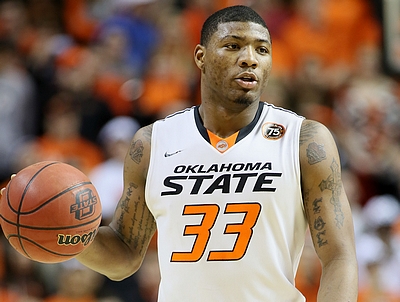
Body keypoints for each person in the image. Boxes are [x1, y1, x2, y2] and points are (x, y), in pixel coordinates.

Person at [2, 5, 358, 301]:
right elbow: (125, 254)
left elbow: (339, 255)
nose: (249, 58)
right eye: (233, 46)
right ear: (200, 57)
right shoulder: (152, 143)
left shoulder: (304, 140)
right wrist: (65, 232)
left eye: (261, 49)